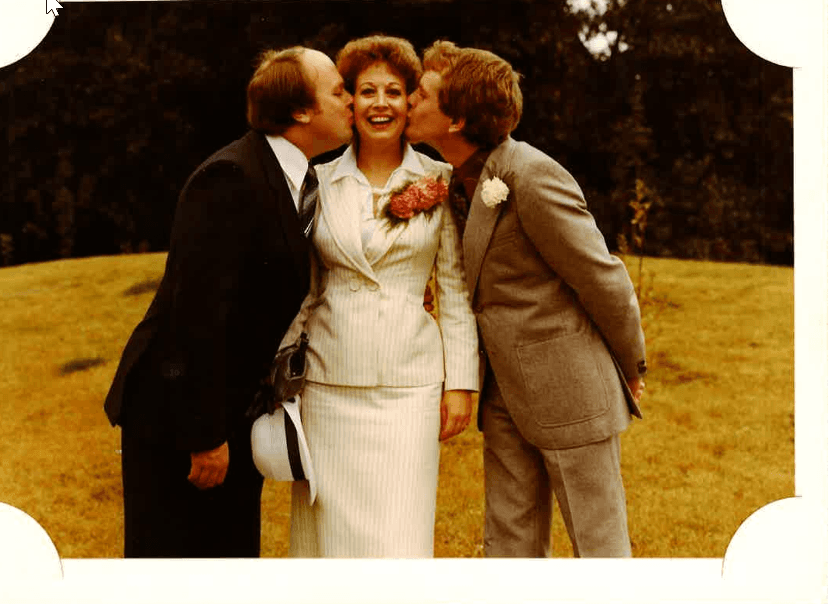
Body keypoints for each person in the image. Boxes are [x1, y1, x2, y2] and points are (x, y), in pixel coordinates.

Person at [103, 47, 354, 558]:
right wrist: (205, 435)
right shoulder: (231, 177)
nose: (350, 101)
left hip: (228, 412)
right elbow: (195, 316)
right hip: (179, 419)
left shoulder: (295, 179)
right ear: (301, 111)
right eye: (338, 92)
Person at [405, 41, 647, 558]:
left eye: (421, 94)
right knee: (509, 545)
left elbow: (603, 279)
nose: (407, 101)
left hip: (571, 392)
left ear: (455, 120)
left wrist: (631, 366)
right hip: (504, 396)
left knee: (598, 546)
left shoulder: (531, 175)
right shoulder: (453, 181)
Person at [280, 35, 479, 558]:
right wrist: (283, 373)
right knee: (328, 537)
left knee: (401, 530)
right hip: (327, 382)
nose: (381, 103)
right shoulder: (317, 182)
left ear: (410, 100)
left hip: (408, 388)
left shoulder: (438, 180)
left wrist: (460, 383)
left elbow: (455, 290)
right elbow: (304, 287)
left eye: (394, 91)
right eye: (367, 91)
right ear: (350, 99)